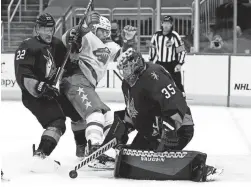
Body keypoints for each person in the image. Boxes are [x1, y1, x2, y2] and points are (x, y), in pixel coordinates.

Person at [112, 48, 222, 181]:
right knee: (129, 160)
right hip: (151, 133)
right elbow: (133, 109)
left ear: (136, 64)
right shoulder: (126, 84)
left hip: (177, 127)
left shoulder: (153, 74)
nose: (124, 72)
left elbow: (175, 102)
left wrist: (170, 128)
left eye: (127, 68)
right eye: (122, 69)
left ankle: (199, 168)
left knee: (153, 162)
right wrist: (123, 129)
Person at [61, 11, 137, 169]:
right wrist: (79, 29)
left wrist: (129, 41)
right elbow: (67, 37)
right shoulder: (88, 37)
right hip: (75, 80)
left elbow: (125, 56)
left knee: (108, 116)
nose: (106, 34)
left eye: (107, 31)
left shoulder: (111, 46)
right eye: (102, 30)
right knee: (95, 113)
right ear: (95, 29)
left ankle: (113, 148)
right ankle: (94, 150)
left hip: (87, 85)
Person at [14, 13, 81, 173]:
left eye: (50, 28)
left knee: (78, 111)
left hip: (50, 91)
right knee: (57, 122)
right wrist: (41, 87)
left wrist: (74, 48)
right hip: (34, 95)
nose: (48, 32)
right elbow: (23, 76)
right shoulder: (27, 46)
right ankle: (40, 156)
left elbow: (70, 65)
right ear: (36, 29)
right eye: (44, 28)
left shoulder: (56, 44)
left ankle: (83, 150)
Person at [149, 15, 186, 95]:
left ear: (171, 25)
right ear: (162, 24)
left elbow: (182, 50)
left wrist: (179, 63)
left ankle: (182, 103)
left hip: (172, 65)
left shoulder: (174, 36)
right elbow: (152, 48)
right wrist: (151, 61)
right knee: (156, 84)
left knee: (178, 85)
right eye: (164, 23)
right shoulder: (156, 35)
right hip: (159, 64)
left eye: (168, 23)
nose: (166, 25)